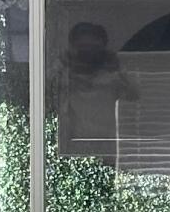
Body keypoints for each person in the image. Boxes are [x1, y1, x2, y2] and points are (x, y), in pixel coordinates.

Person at [46, 18, 138, 159]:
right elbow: (44, 93)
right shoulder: (65, 74)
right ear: (73, 48)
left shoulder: (113, 73)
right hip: (74, 146)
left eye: (93, 47)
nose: (88, 53)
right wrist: (62, 64)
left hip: (110, 144)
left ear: (103, 47)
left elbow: (134, 97)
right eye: (83, 47)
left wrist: (117, 71)